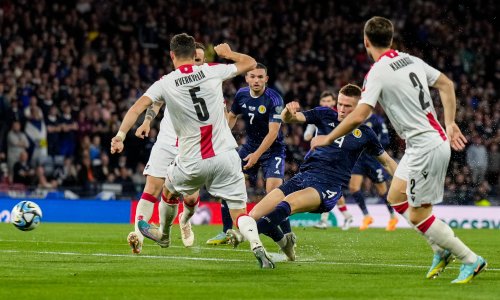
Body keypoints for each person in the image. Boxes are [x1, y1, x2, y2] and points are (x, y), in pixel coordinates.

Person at [311, 17, 486, 284]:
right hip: (423, 143)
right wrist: (449, 122)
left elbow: (359, 115)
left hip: (426, 146)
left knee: (418, 213)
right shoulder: (411, 60)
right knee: (396, 197)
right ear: (391, 40)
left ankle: (471, 259)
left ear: (366, 41)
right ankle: (439, 249)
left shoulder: (377, 72)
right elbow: (447, 85)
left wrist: (327, 138)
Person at [111, 33, 275, 268]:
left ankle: (164, 234)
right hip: (227, 157)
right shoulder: (212, 71)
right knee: (240, 213)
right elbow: (250, 63)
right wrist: (229, 54)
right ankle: (257, 246)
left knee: (168, 192)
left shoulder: (166, 82)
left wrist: (120, 135)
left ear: (172, 55)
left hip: (192, 160)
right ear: (194, 55)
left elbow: (137, 107)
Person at [227, 84, 398, 262]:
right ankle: (286, 242)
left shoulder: (365, 133)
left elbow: (386, 161)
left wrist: (405, 182)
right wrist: (287, 110)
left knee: (286, 204)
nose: (341, 109)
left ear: (358, 107)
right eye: (339, 104)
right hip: (304, 176)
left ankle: (241, 236)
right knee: (255, 214)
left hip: (328, 186)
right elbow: (290, 119)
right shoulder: (325, 114)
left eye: (348, 106)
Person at [124, 42, 207, 254]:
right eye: (192, 58)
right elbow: (157, 101)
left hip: (192, 148)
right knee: (151, 187)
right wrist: (147, 121)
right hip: (166, 143)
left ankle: (185, 219)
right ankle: (138, 237)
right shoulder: (171, 81)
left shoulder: (210, 84)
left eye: (199, 60)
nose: (194, 63)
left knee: (190, 198)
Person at [206, 63, 290, 245]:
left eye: (260, 77)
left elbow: (273, 132)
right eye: (252, 76)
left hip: (273, 149)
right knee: (228, 182)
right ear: (246, 78)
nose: (256, 80)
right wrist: (222, 138)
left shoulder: (274, 99)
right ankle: (227, 232)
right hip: (249, 146)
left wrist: (256, 155)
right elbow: (232, 116)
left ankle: (288, 235)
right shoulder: (241, 94)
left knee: (274, 192)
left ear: (266, 79)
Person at [304, 91, 354, 230]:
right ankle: (347, 216)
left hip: (333, 156)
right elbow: (307, 135)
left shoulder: (340, 118)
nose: (326, 104)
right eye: (323, 101)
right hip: (317, 154)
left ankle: (324, 220)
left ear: (334, 103)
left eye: (328, 101)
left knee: (326, 186)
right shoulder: (320, 115)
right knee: (331, 190)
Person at [348, 112, 398, 231]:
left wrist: (372, 144)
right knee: (353, 187)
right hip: (359, 159)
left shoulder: (377, 120)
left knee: (382, 191)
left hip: (373, 159)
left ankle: (393, 216)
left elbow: (385, 139)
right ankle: (366, 216)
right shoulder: (357, 117)